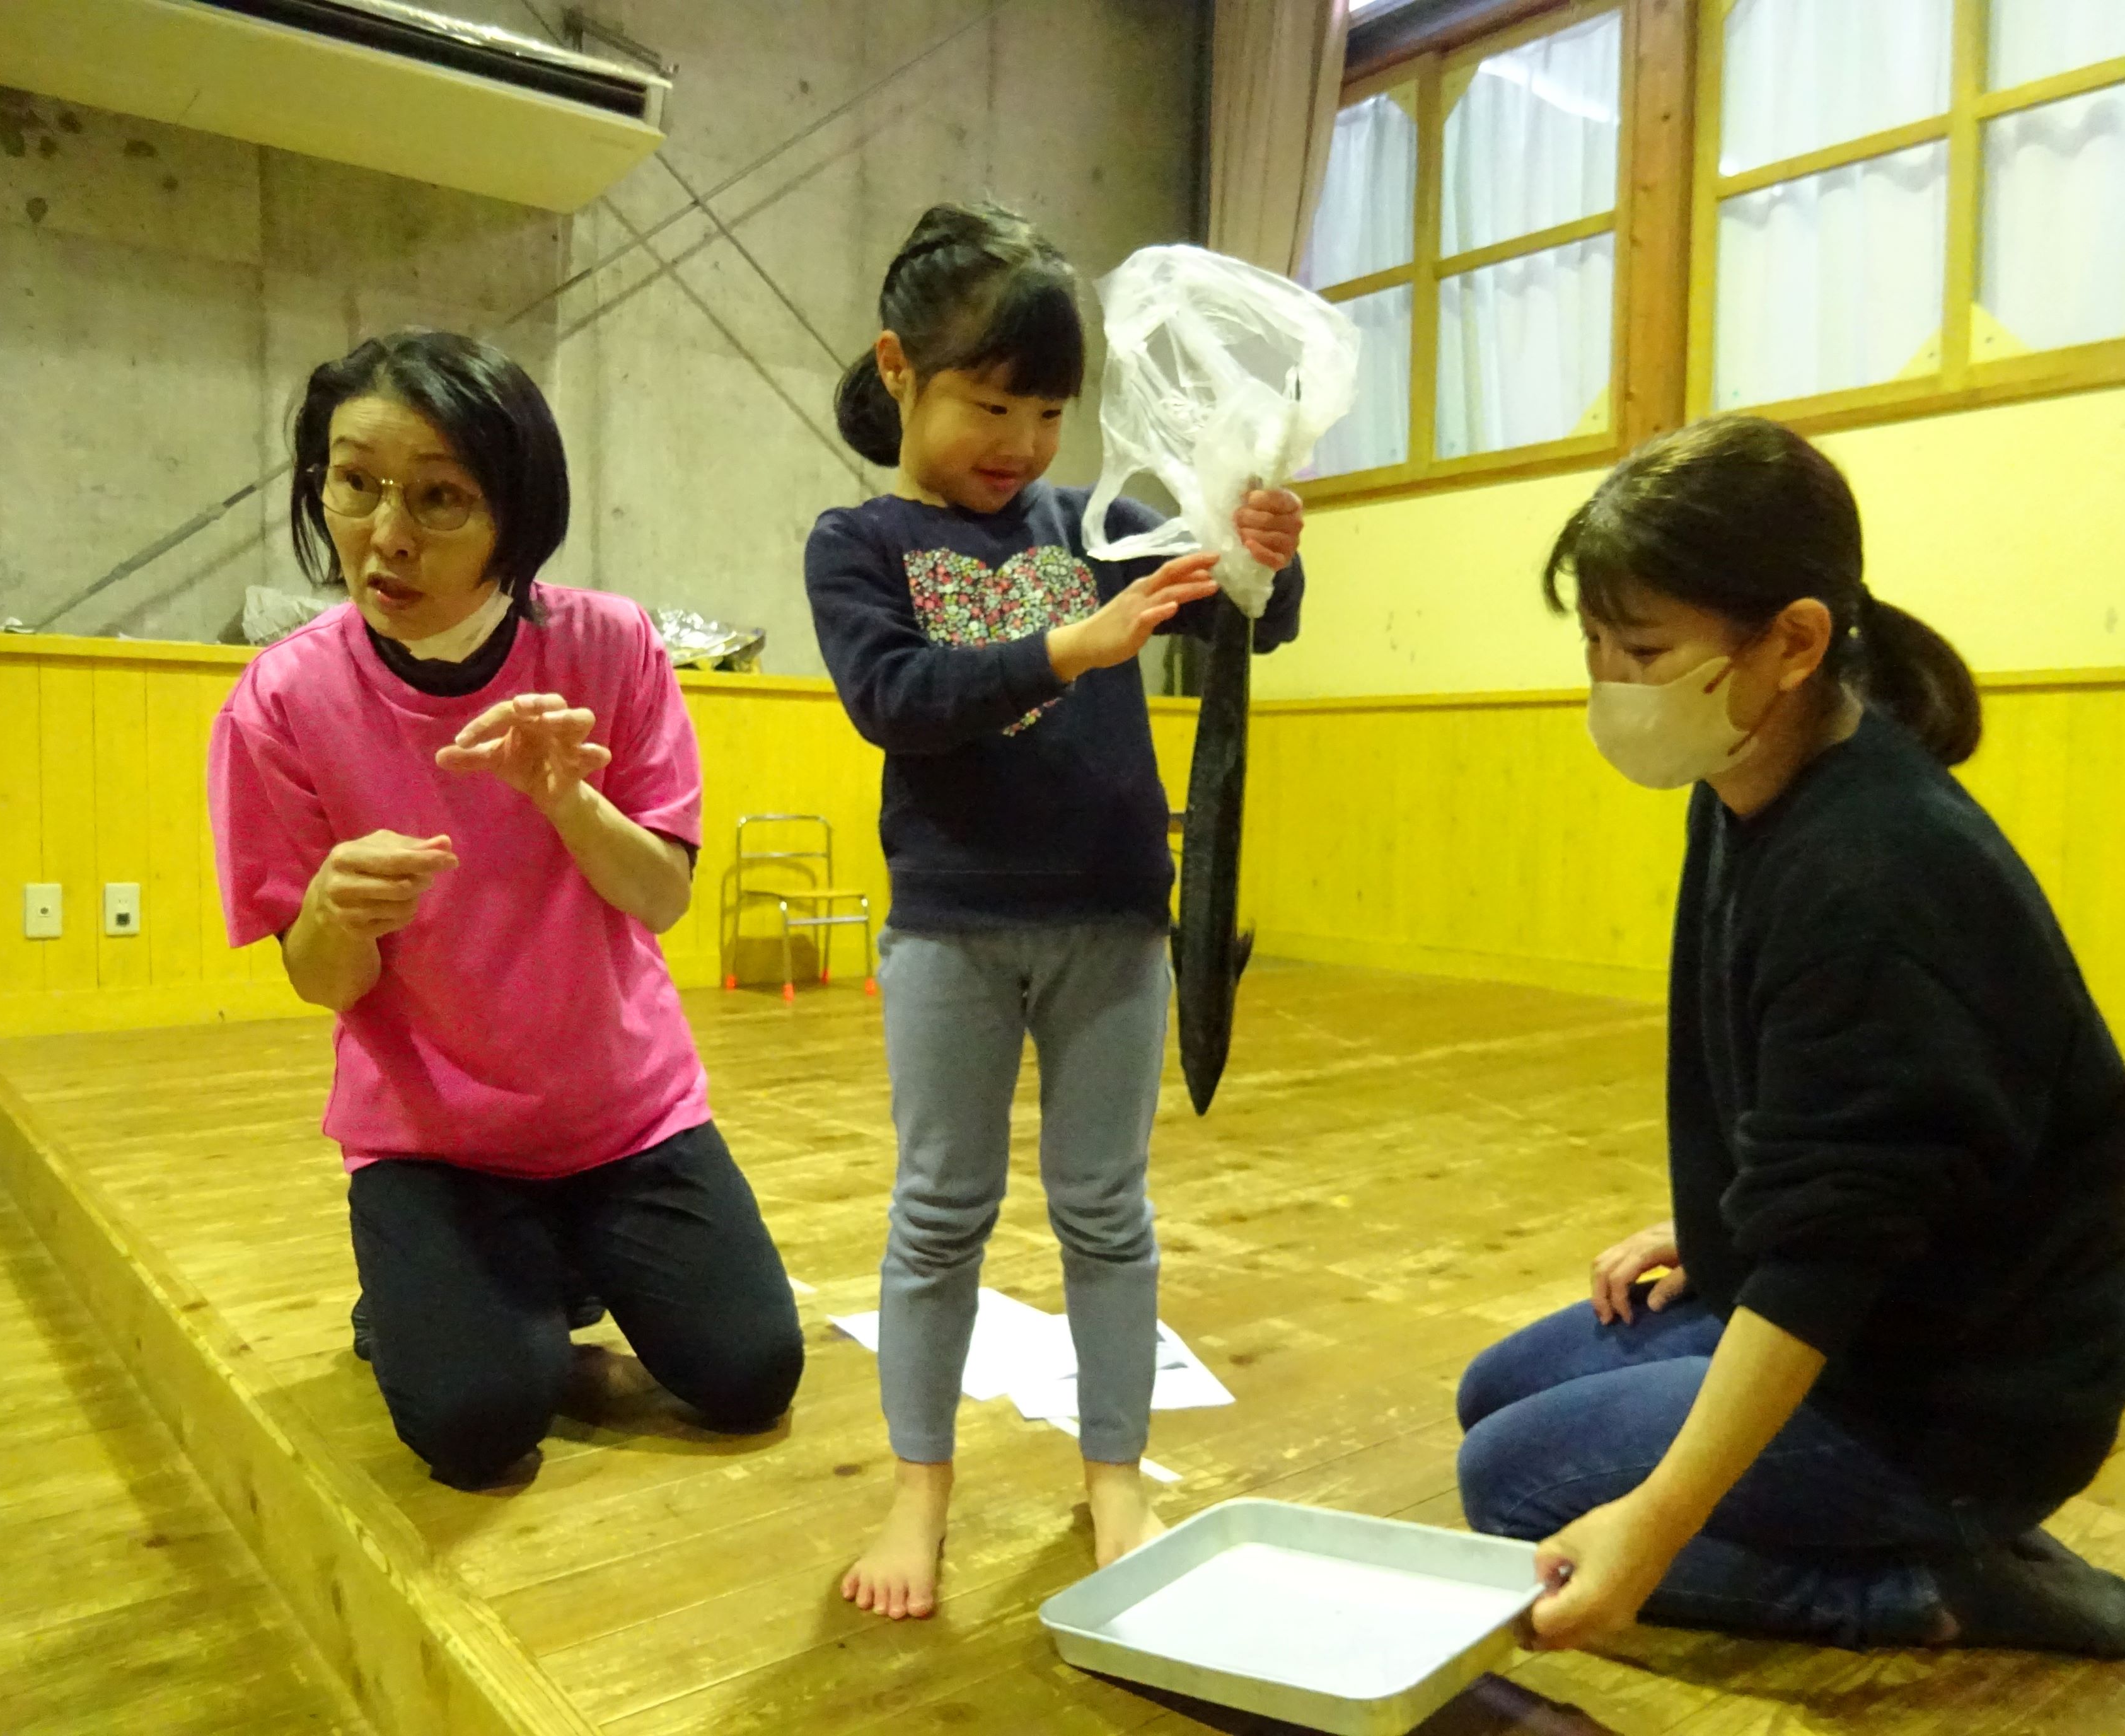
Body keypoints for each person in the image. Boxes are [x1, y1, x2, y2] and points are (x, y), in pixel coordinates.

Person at [1455, 415, 2125, 1658]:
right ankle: (1909, 1530)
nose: (1611, 683)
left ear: (1793, 642)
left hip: (1959, 1392)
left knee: (1514, 1485)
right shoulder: (1748, 782)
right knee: (1494, 1396)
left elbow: (1844, 1240)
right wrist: (1726, 1226)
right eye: (1596, 646)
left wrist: (1654, 1527)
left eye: (1644, 650)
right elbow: (1838, 1142)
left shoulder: (1878, 869)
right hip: (1899, 1311)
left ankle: (1940, 1579)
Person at [806, 202, 1308, 1618]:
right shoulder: (860, 542)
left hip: (1113, 923)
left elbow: (1248, 614)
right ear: (900, 369)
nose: (1022, 443)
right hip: (950, 931)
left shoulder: (1100, 528)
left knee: (1107, 1213)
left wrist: (1266, 552)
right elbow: (897, 698)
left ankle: (1115, 1476)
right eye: (990, 405)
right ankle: (920, 1492)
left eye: (1047, 412)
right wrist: (1069, 646)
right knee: (938, 1216)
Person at [207, 330, 804, 1490]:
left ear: (515, 515)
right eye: (355, 482)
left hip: (626, 1115)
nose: (387, 533)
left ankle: (546, 1260)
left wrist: (569, 800)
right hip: (436, 1141)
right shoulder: (279, 701)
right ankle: (441, 1283)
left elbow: (664, 895)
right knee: (479, 1424)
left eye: (440, 497)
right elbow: (322, 981)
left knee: (750, 1374)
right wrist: (333, 909)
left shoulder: (612, 646)